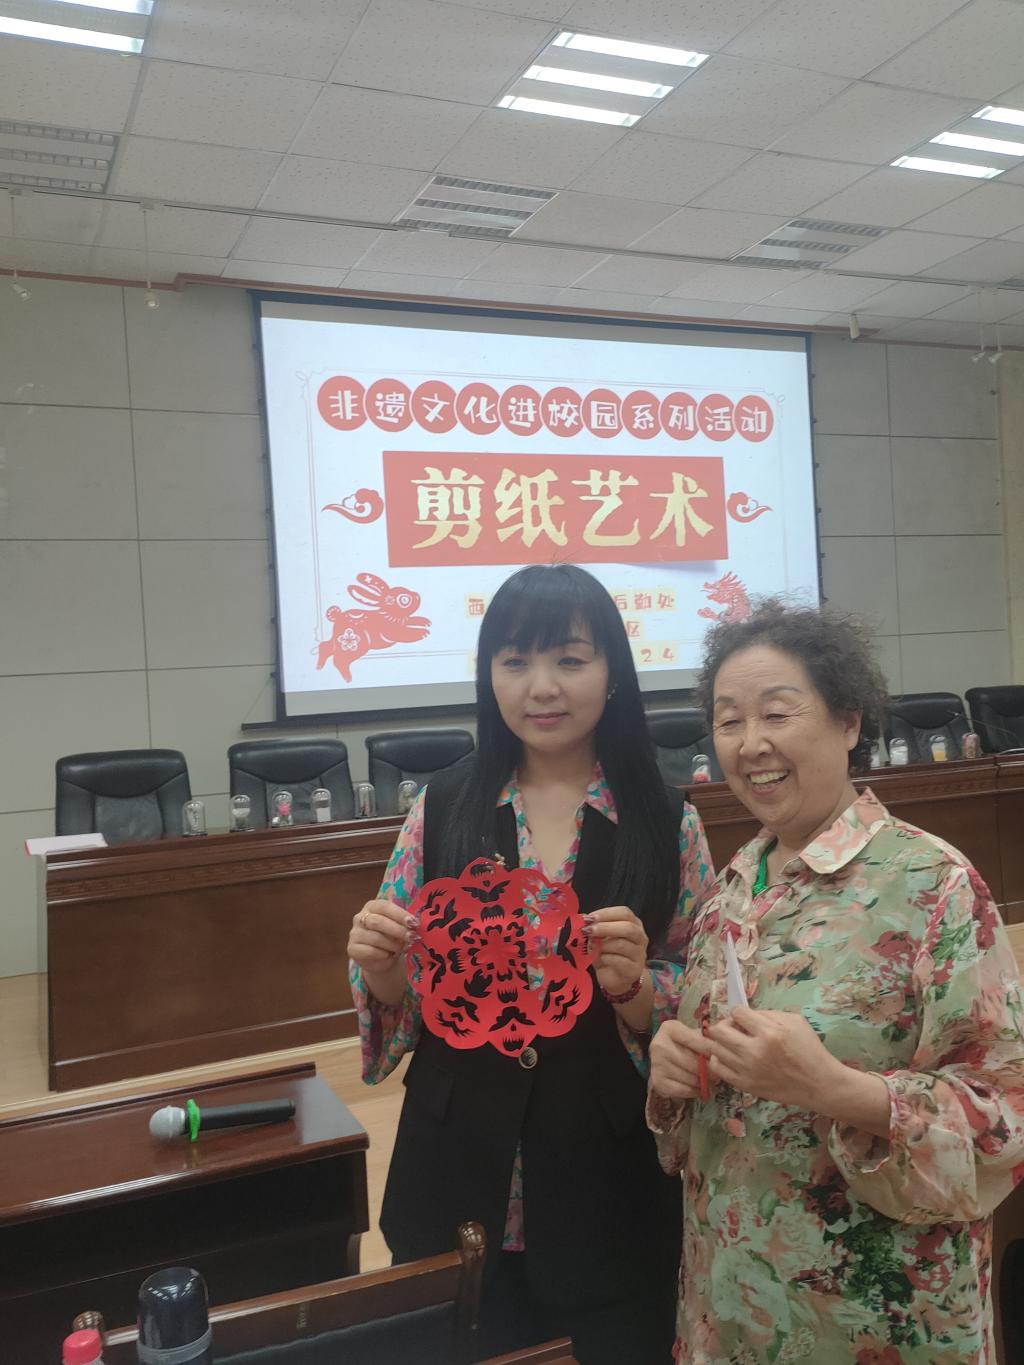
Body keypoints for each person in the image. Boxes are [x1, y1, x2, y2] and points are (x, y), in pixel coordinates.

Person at [348, 563, 715, 1364]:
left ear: (612, 672)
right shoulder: (443, 806)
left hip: (607, 1179)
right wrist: (382, 968)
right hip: (455, 1167)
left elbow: (705, 992)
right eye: (514, 661)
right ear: (489, 676)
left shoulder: (667, 820)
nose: (541, 686)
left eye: (569, 660)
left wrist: (636, 989)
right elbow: (399, 982)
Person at [648, 601, 1024, 1364]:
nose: (751, 743)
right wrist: (671, 1081)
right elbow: (707, 1139)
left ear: (849, 720)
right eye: (728, 721)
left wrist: (835, 1088)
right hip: (731, 1311)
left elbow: (1004, 1120)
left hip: (876, 1323)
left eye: (777, 712)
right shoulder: (727, 892)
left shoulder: (933, 884)